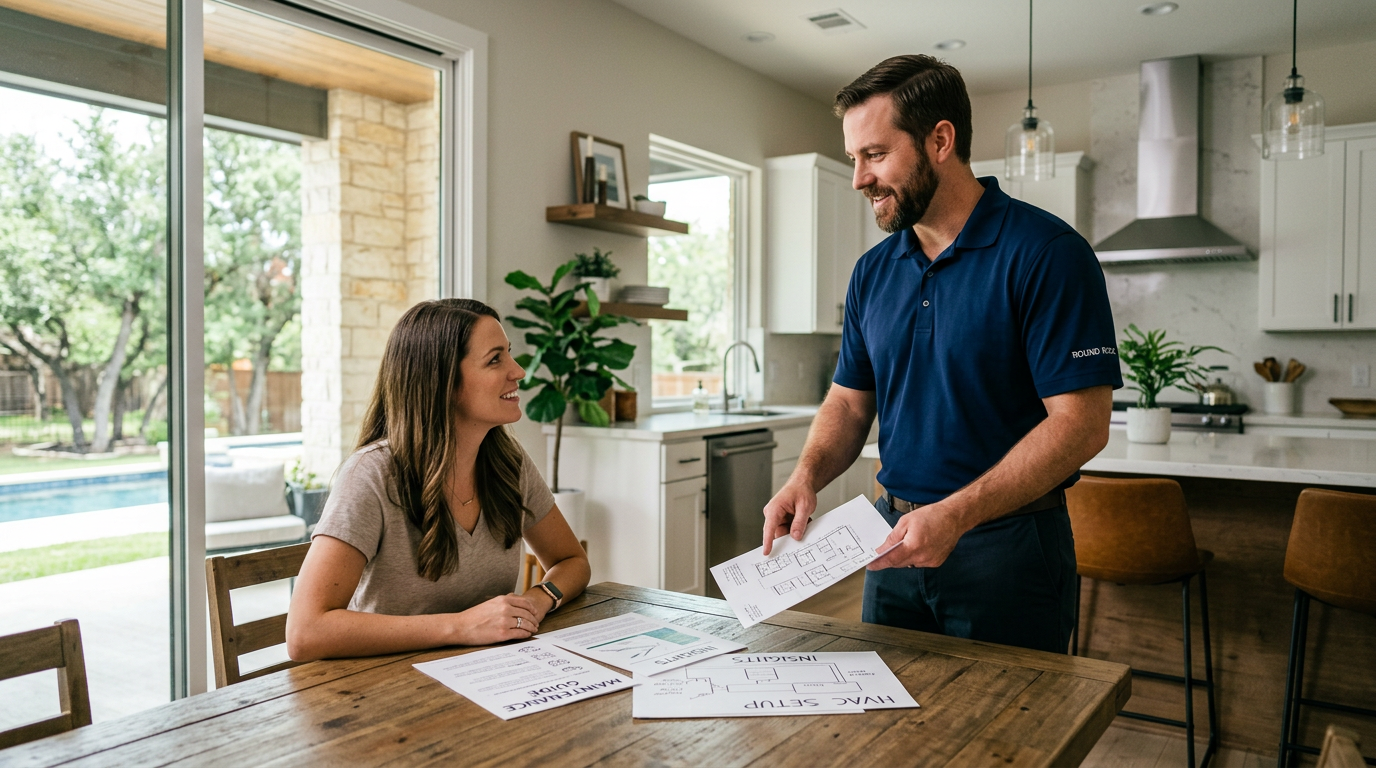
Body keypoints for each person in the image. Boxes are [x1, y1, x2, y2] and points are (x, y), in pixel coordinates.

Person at [761, 55, 1122, 654]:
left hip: (1007, 552)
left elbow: (1082, 425)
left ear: (940, 140)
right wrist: (805, 477)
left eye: (874, 155)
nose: (859, 179)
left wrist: (956, 514)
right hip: (891, 543)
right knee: (893, 735)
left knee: (1007, 742)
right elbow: (851, 404)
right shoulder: (872, 273)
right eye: (854, 159)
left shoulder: (1048, 253)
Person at [286, 299, 589, 660]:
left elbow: (572, 560)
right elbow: (305, 632)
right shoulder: (370, 475)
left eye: (509, 354)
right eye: (495, 359)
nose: (518, 370)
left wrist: (538, 600)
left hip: (488, 673)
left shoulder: (509, 463)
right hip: (386, 689)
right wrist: (461, 626)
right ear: (442, 380)